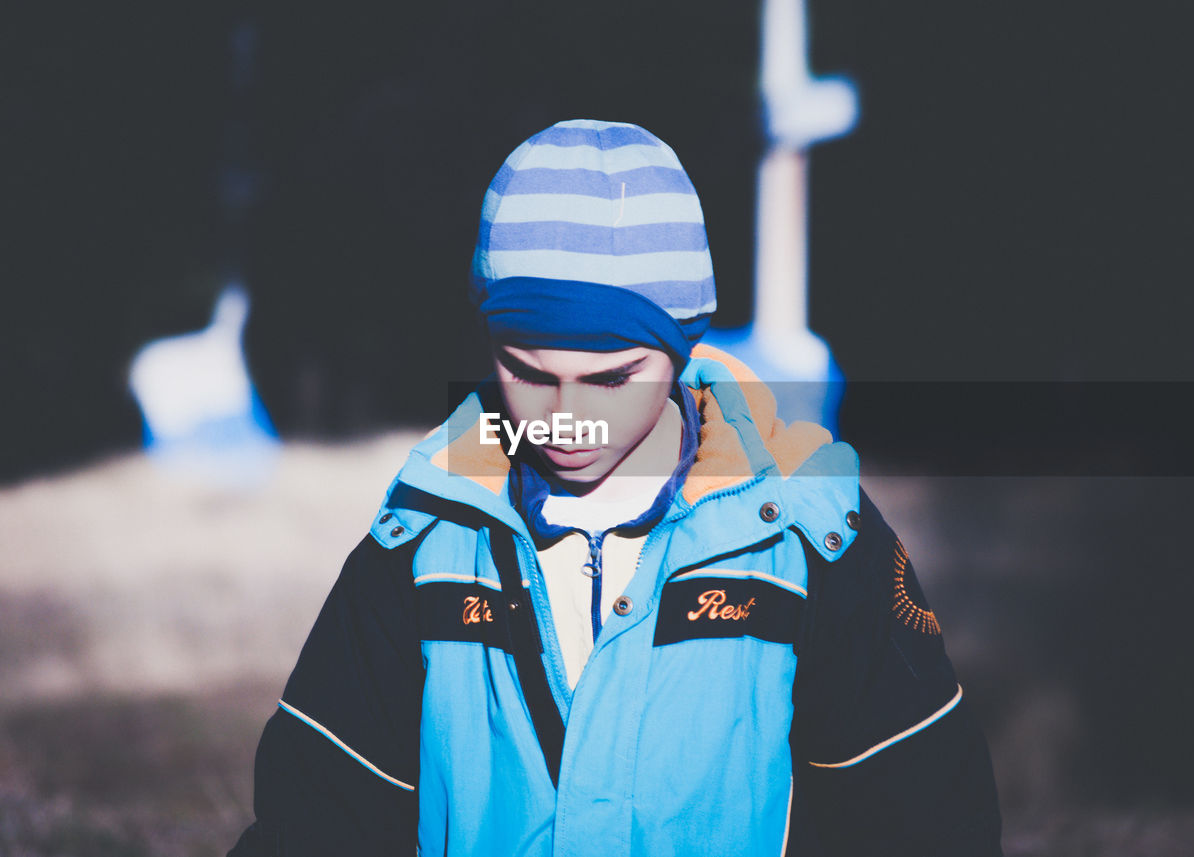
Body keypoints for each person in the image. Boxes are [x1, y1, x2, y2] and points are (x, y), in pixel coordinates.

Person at [229, 119, 1002, 856]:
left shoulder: (812, 540)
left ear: (684, 341)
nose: (567, 418)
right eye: (528, 371)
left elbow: (922, 821)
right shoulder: (424, 540)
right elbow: (319, 817)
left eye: (612, 378)